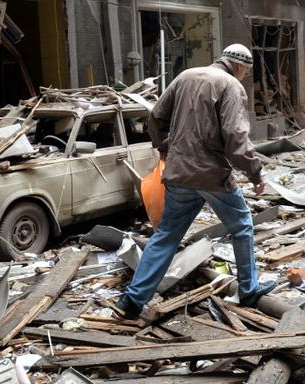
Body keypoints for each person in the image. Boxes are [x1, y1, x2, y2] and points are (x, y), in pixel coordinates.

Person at [116, 44, 275, 319]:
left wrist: (163, 146)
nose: (245, 77)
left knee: (166, 236)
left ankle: (132, 300)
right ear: (239, 66)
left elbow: (155, 117)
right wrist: (255, 173)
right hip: (212, 174)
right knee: (242, 226)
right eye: (246, 72)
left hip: (179, 173)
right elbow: (236, 136)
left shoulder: (185, 76)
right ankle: (249, 289)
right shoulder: (230, 85)